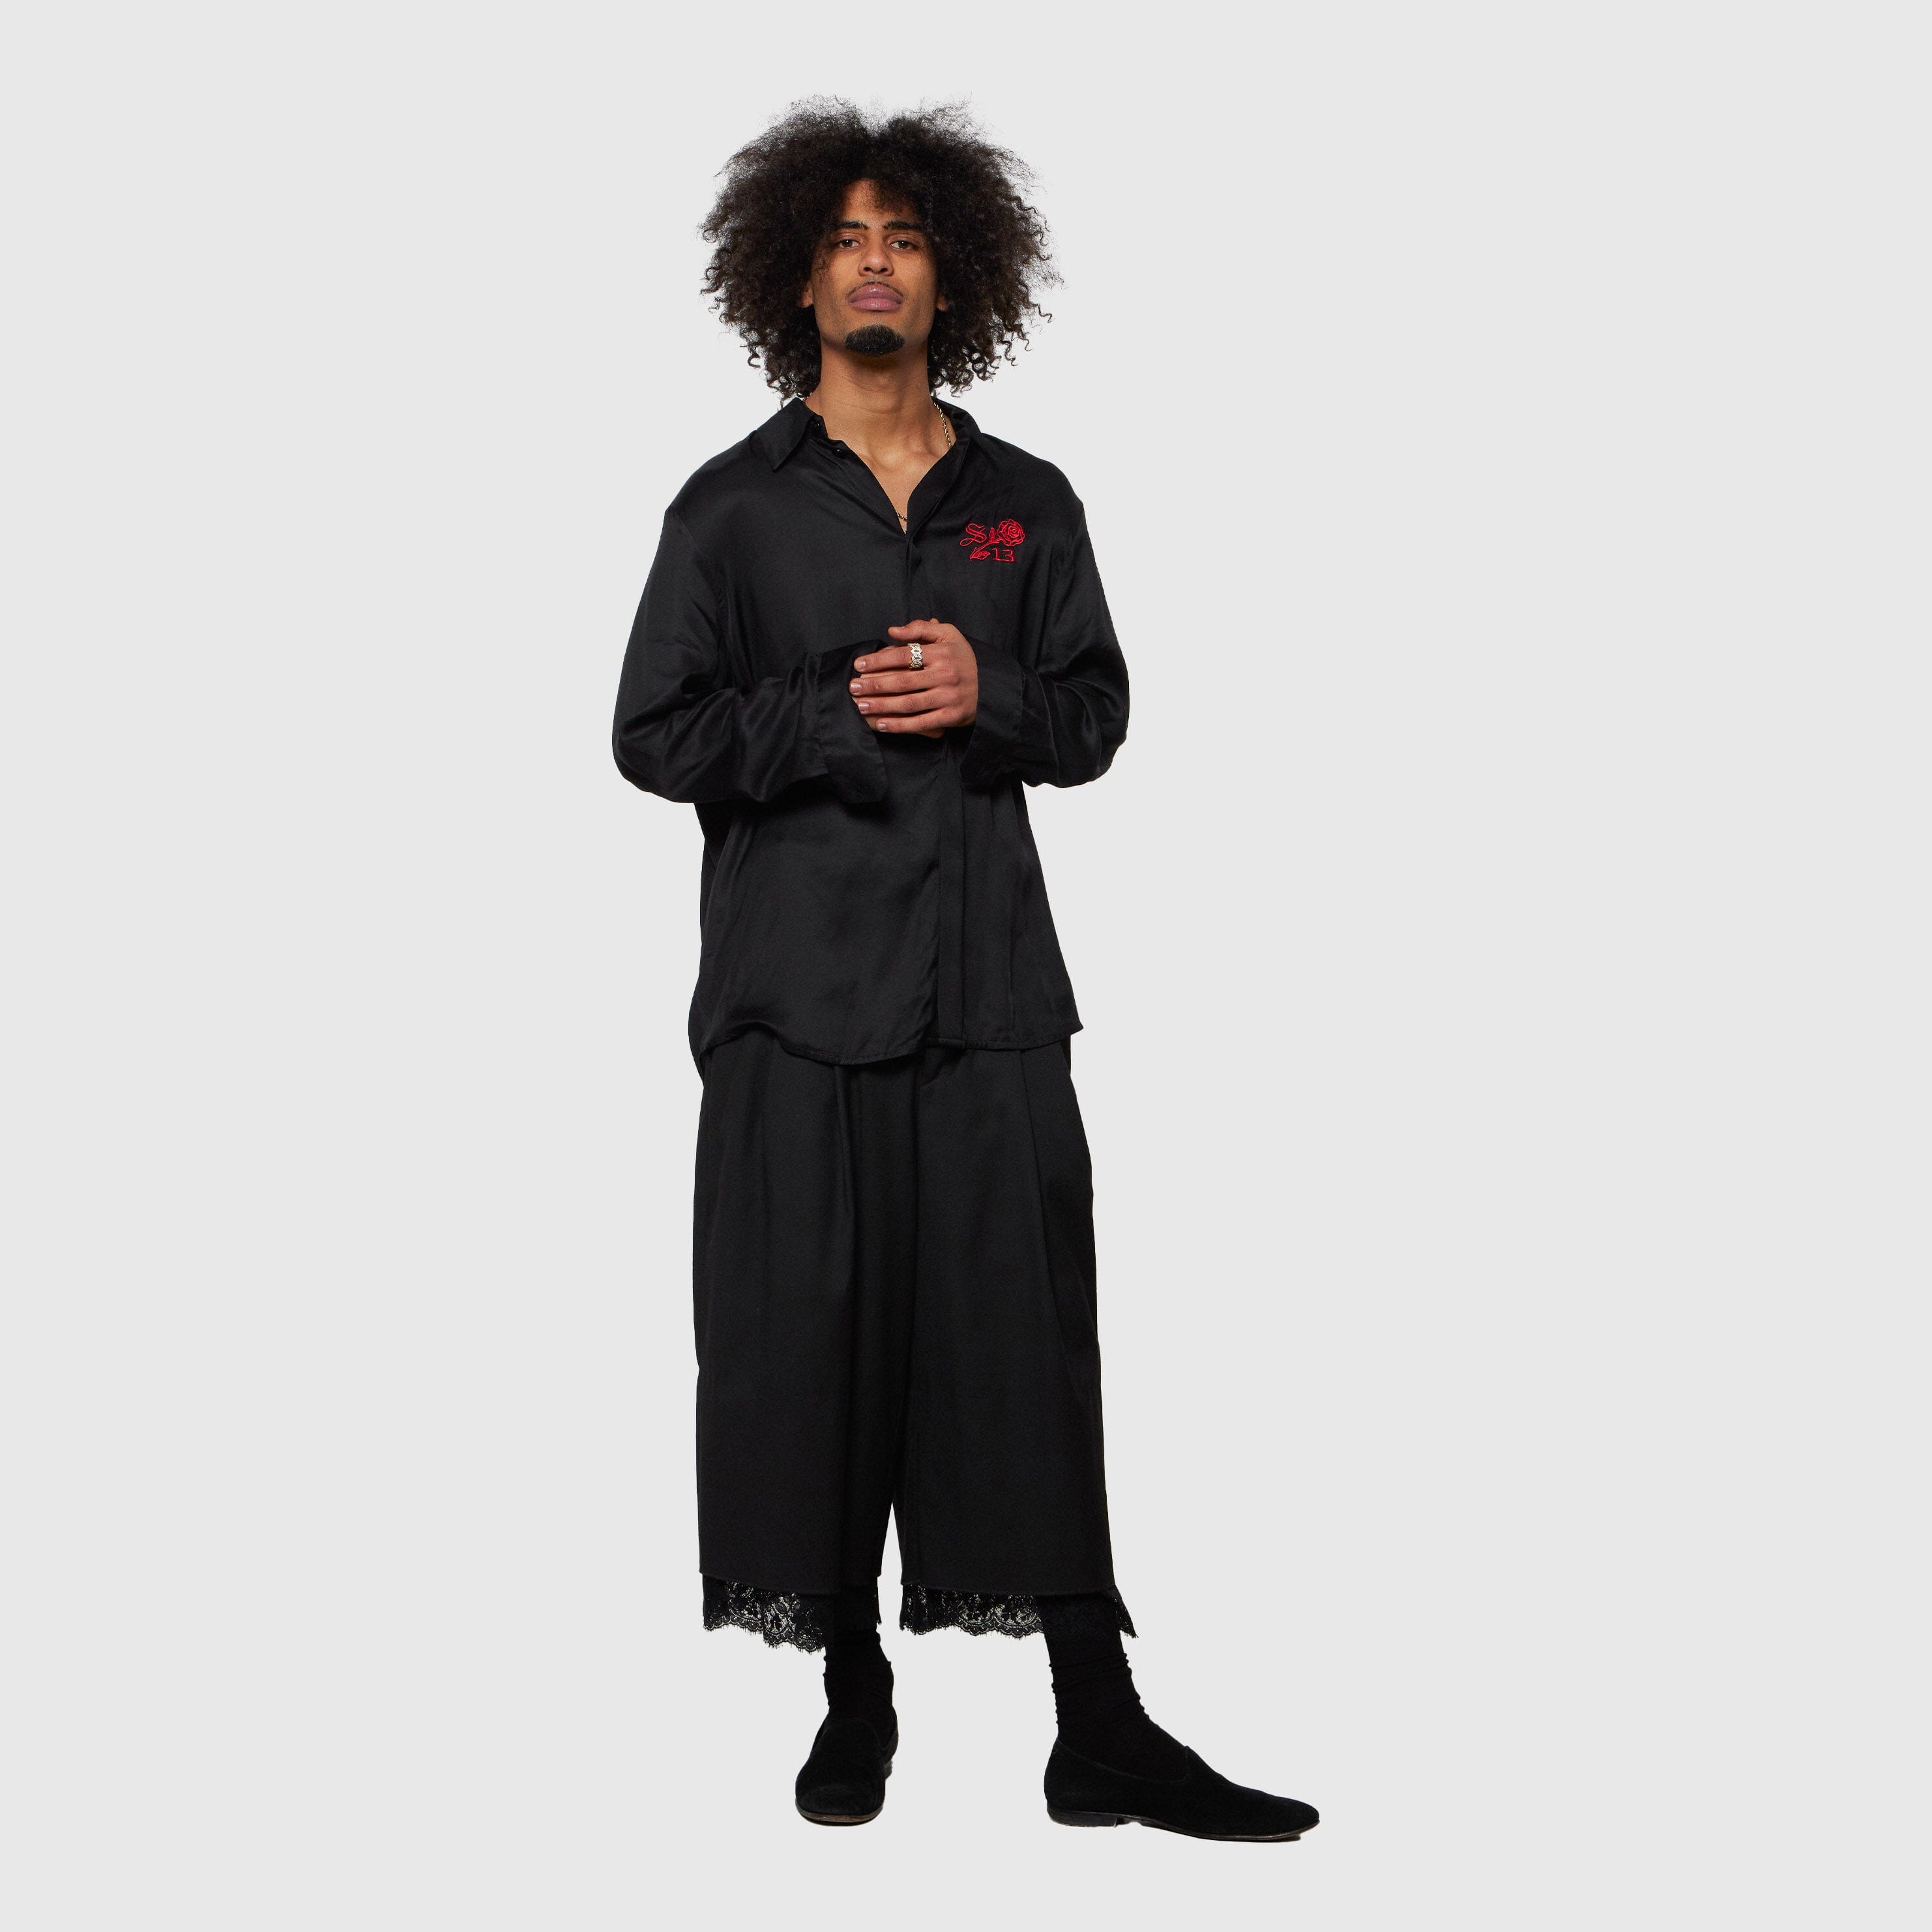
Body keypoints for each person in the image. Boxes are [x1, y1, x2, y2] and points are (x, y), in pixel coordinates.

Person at [613, 99, 1318, 1843]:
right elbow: (650, 736)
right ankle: (853, 1683)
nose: (875, 264)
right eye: (844, 238)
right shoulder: (730, 509)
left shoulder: (1027, 502)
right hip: (793, 1004)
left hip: (990, 995)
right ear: (795, 279)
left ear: (952, 276)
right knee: (808, 1346)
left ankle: (1101, 1725)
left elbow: (1093, 714)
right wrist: (831, 712)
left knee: (1024, 1340)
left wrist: (987, 698)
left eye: (906, 238)